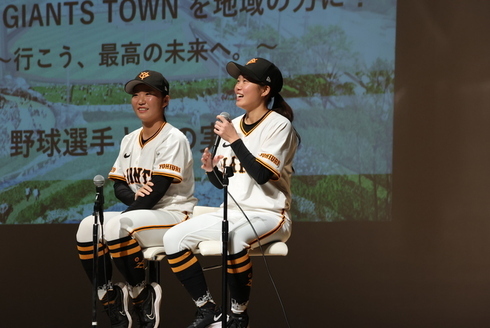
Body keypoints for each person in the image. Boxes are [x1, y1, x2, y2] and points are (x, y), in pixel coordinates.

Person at [163, 58, 299, 328]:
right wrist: (212, 171)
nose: (238, 85)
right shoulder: (233, 123)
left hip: (270, 214)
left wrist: (234, 139)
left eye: (246, 81)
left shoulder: (278, 125)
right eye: (238, 80)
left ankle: (238, 314)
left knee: (233, 239)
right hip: (234, 213)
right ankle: (208, 309)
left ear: (265, 90)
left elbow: (261, 175)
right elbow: (227, 184)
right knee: (173, 238)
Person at [76, 70, 197, 328]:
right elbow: (119, 185)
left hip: (174, 214)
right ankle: (109, 296)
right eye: (136, 94)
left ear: (165, 101)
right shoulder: (130, 139)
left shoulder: (173, 137)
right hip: (142, 213)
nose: (141, 100)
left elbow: (158, 190)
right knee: (87, 226)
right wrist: (132, 198)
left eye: (149, 94)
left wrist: (129, 211)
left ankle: (141, 293)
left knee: (116, 225)